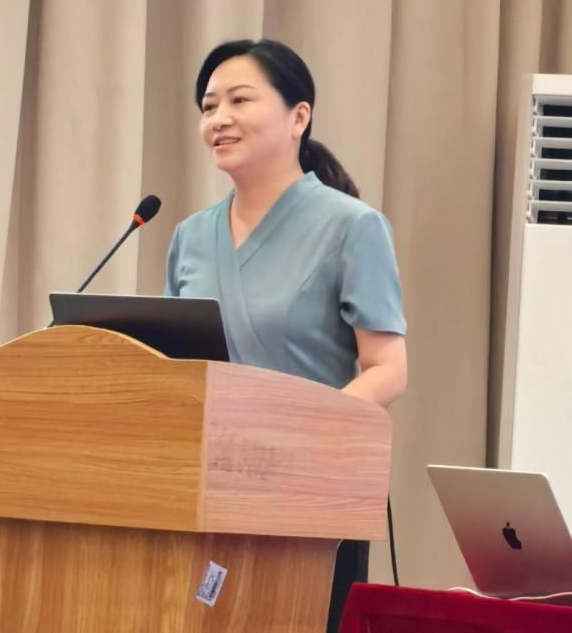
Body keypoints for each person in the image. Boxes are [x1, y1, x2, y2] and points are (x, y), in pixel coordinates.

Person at [165, 38, 408, 632]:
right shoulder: (190, 237)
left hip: (310, 491)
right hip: (208, 490)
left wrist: (298, 434)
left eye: (239, 100)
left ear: (299, 117)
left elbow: (388, 368)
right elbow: (174, 368)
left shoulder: (353, 227)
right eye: (208, 106)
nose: (219, 118)